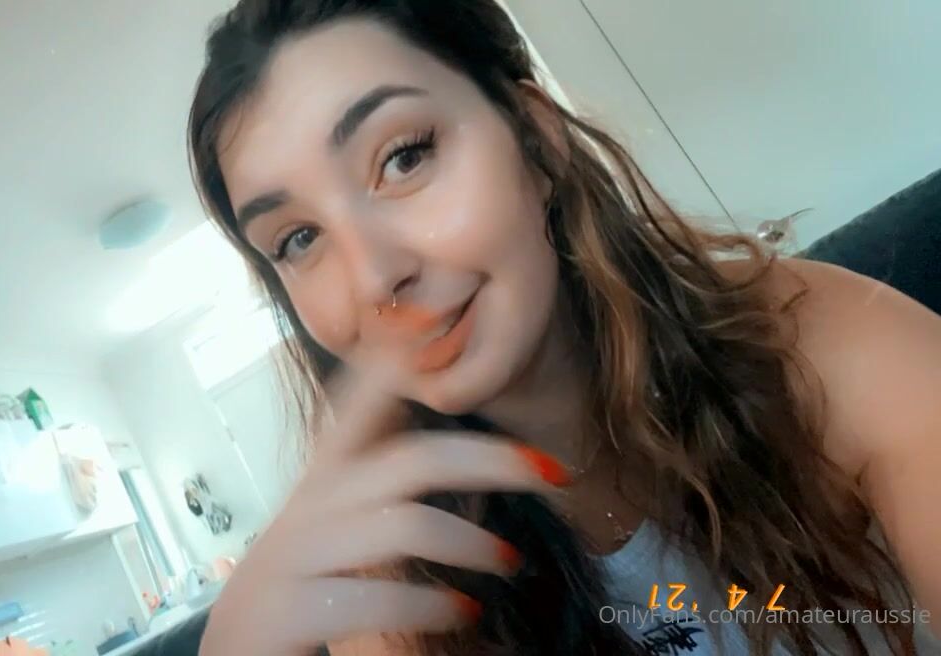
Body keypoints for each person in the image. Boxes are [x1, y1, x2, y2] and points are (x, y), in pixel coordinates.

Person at [185, 1, 941, 654]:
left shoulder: (813, 345)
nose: (372, 276)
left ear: (537, 138)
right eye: (299, 239)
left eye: (405, 157)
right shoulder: (393, 576)